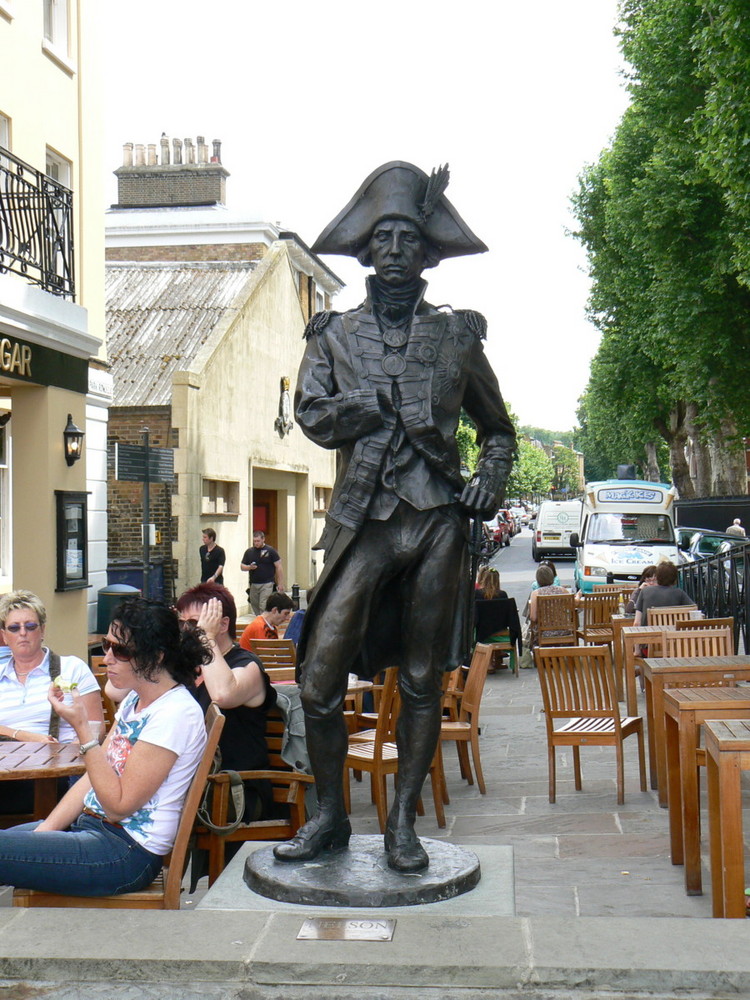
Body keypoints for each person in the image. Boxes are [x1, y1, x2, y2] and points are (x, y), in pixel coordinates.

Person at [274, 161, 515, 873]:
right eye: (382, 236)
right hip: (366, 520)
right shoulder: (335, 335)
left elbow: (496, 429)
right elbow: (312, 412)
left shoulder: (457, 337)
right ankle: (329, 818)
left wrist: (488, 482)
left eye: (409, 237)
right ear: (364, 249)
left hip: (437, 515)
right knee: (318, 678)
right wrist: (370, 408)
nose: (395, 248)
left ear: (428, 250)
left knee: (419, 679)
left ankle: (403, 822)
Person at [0, 598, 210, 897]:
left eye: (120, 650)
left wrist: (83, 730)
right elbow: (89, 781)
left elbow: (119, 806)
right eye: (106, 645)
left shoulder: (174, 713)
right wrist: (44, 835)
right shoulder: (135, 702)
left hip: (123, 853)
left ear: (156, 656)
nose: (107, 657)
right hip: (92, 830)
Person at [0, 589, 105, 816]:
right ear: (4, 635)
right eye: (14, 628)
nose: (23, 634)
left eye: (30, 626)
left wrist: (71, 751)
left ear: (43, 630)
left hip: (51, 778)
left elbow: (96, 727)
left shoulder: (71, 668)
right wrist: (24, 736)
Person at [633, 560, 694, 625]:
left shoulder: (645, 591)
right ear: (675, 578)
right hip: (672, 633)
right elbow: (694, 610)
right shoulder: (679, 593)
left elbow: (637, 622)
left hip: (650, 633)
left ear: (657, 577)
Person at [241, 531, 285, 615]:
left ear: (263, 539)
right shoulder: (249, 552)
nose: (256, 543)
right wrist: (249, 567)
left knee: (263, 604)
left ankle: (264, 621)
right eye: (255, 541)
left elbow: (279, 566)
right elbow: (242, 566)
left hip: (267, 583)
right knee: (254, 603)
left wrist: (280, 583)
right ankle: (260, 619)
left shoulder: (270, 551)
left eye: (258, 541)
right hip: (254, 583)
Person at [528, 565, 569, 648]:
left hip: (544, 632)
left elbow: (533, 617)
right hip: (564, 631)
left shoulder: (535, 593)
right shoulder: (562, 590)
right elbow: (573, 605)